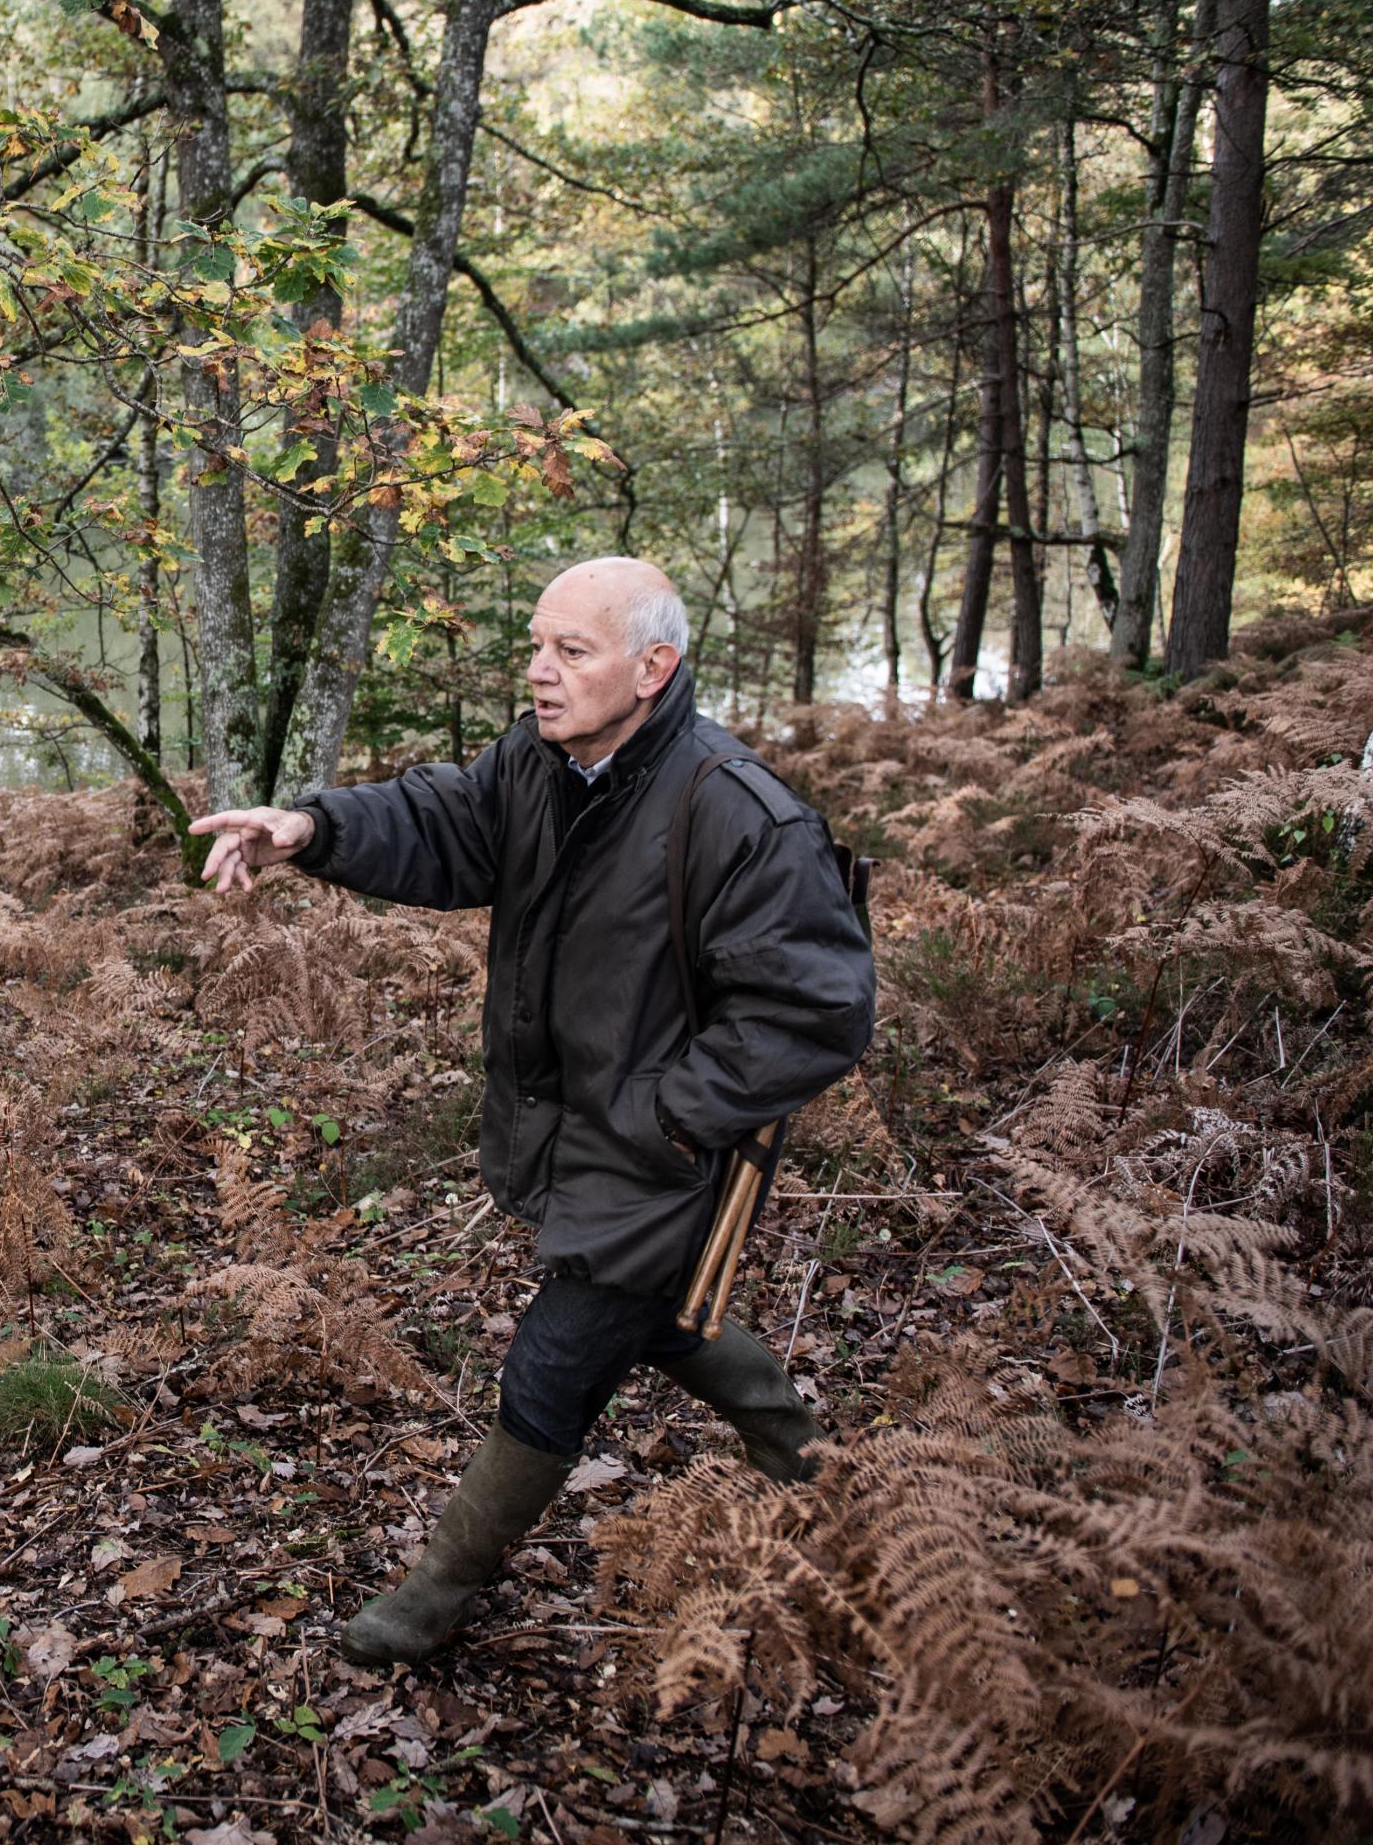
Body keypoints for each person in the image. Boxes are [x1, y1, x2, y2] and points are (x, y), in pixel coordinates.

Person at [191, 556, 875, 1666]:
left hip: (663, 1154)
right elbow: (452, 821)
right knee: (657, 1319)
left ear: (654, 667)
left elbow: (816, 1010)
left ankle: (433, 1593)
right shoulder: (542, 761)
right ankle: (814, 1467)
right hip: (580, 1129)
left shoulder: (737, 812)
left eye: (572, 651)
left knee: (554, 1363)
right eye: (536, 646)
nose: (541, 673)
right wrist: (311, 828)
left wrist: (671, 1115)